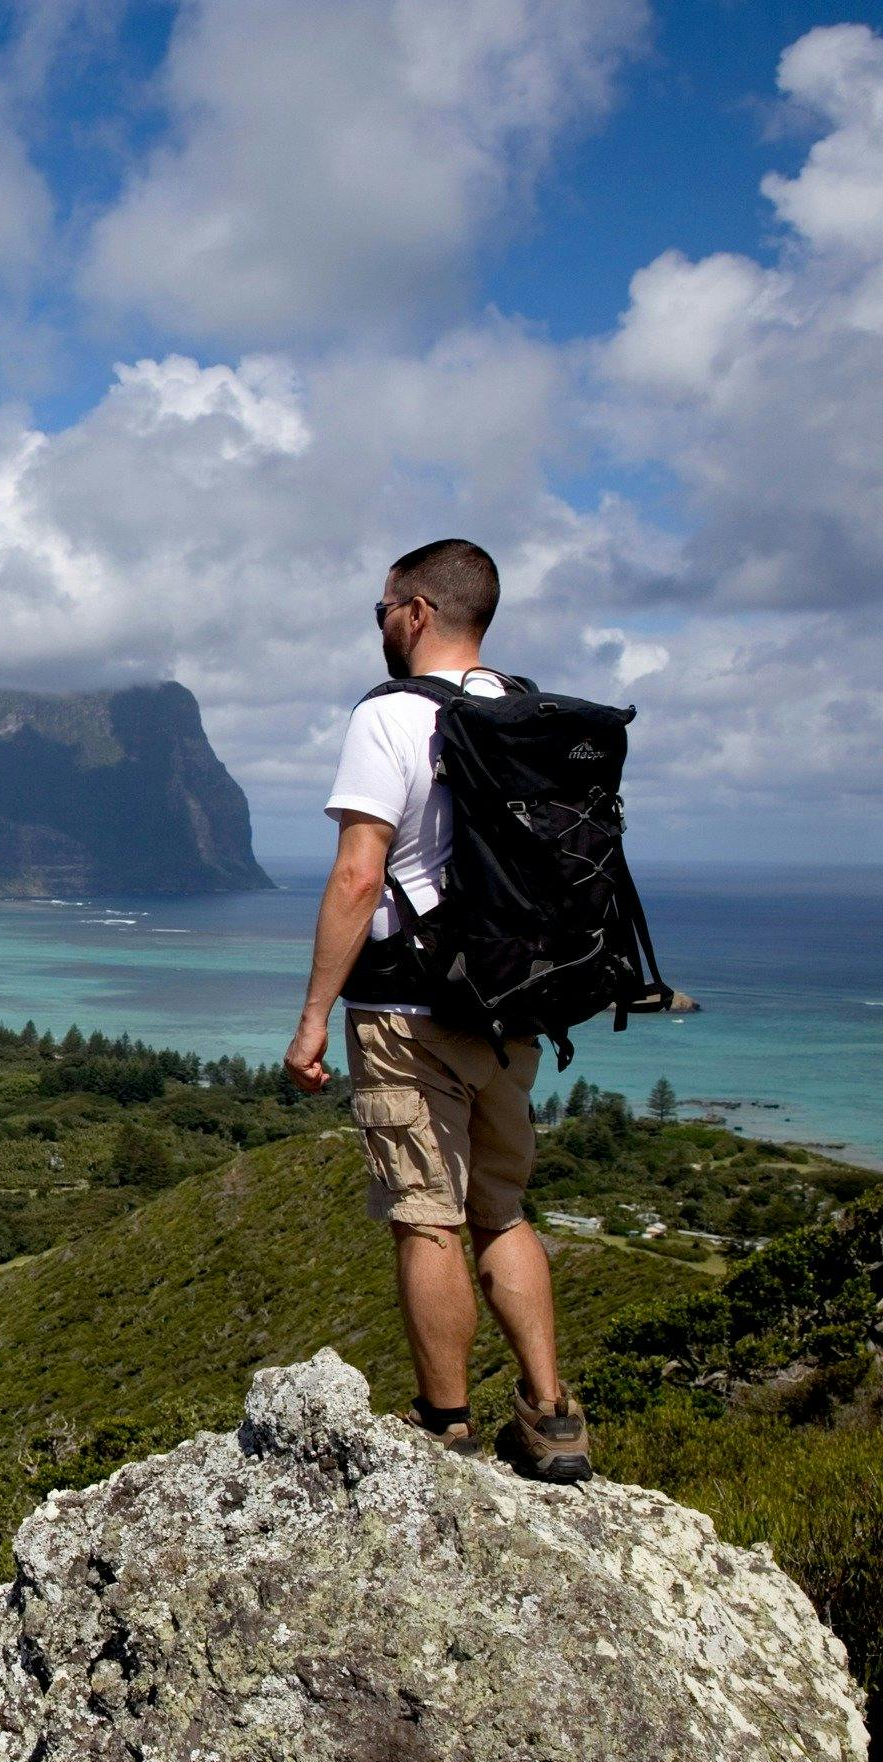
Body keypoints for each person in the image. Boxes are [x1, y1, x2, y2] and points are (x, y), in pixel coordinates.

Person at [282, 538, 593, 1483]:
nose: (377, 625)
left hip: (407, 1010)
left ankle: (445, 1425)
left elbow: (357, 873)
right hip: (513, 1006)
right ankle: (551, 1416)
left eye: (380, 608)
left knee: (425, 1218)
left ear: (415, 610)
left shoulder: (389, 720)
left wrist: (309, 1022)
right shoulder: (527, 713)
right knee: (501, 1213)